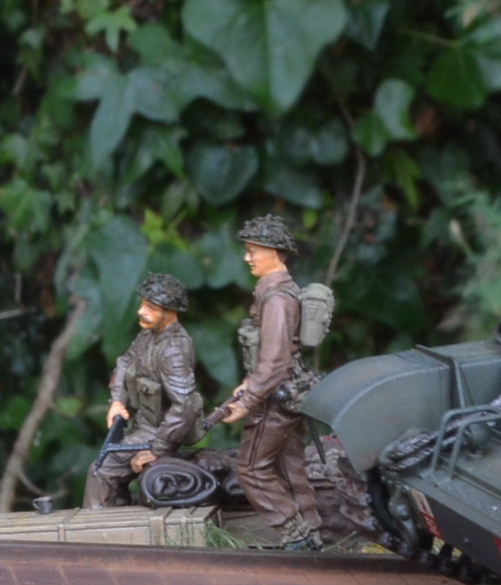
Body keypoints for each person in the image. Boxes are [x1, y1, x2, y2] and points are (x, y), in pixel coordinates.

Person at [212, 216, 323, 550]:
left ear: (275, 253)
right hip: (286, 390)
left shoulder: (277, 299)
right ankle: (313, 533)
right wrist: (248, 382)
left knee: (251, 468)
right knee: (289, 467)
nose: (247, 258)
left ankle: (295, 534)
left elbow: (275, 361)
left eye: (253, 251)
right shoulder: (278, 292)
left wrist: (248, 401)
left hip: (275, 396)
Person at [85, 273, 202, 508]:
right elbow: (124, 362)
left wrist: (159, 449)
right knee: (109, 469)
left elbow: (185, 406)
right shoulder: (148, 336)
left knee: (102, 470)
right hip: (144, 424)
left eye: (151, 308)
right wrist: (117, 401)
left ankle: (94, 527)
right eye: (142, 304)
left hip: (159, 431)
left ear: (169, 312)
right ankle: (116, 518)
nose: (141, 311)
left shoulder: (173, 351)